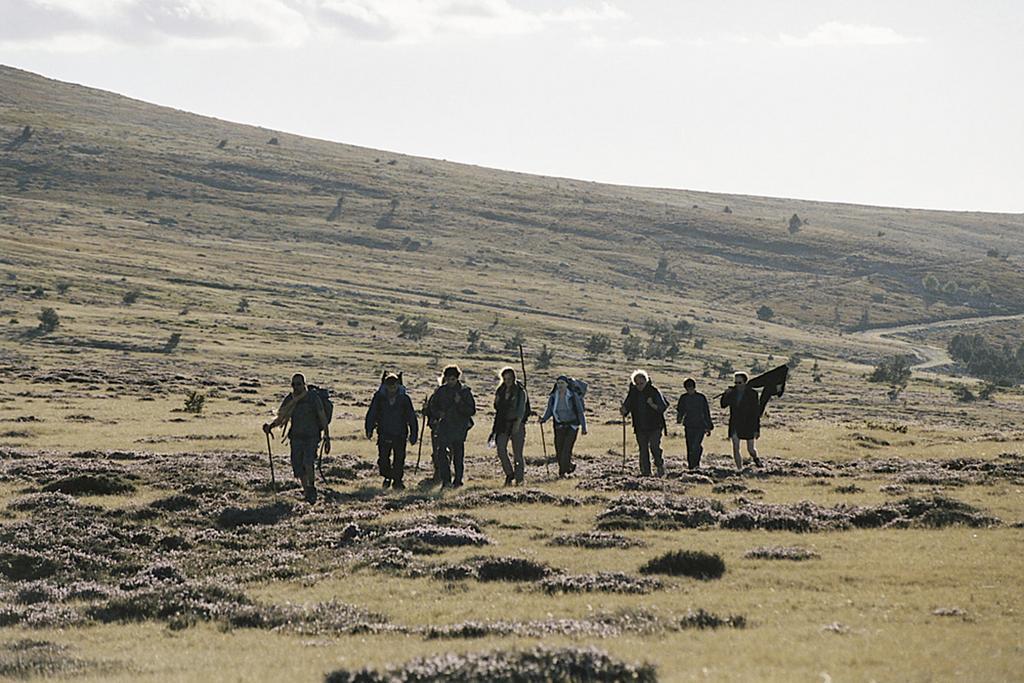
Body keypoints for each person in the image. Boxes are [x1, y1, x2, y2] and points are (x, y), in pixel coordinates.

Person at [263, 373, 330, 503]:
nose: (296, 387)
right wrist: (270, 427)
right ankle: (307, 492)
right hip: (296, 437)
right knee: (298, 466)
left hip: (312, 436)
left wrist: (327, 436)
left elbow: (322, 417)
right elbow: (281, 416)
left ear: (304, 384)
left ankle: (311, 488)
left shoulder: (313, 398)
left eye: (298, 384)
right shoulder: (290, 399)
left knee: (308, 462)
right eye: (293, 384)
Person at [365, 372, 418, 490]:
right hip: (384, 433)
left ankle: (397, 481)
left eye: (394, 386)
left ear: (398, 386)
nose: (392, 389)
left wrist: (414, 434)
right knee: (383, 458)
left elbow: (411, 417)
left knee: (399, 459)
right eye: (389, 387)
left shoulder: (404, 399)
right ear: (385, 386)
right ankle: (387, 476)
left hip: (400, 434)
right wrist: (369, 428)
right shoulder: (379, 398)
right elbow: (372, 413)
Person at [425, 365, 476, 488]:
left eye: (452, 379)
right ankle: (446, 480)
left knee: (458, 456)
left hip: (459, 428)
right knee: (441, 453)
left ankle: (458, 481)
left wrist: (460, 403)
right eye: (448, 379)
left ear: (457, 378)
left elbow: (471, 410)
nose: (450, 381)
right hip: (444, 426)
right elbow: (433, 406)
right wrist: (438, 414)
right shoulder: (440, 391)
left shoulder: (465, 392)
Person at [620, 370, 669, 477]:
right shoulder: (633, 393)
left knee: (654, 447)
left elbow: (663, 407)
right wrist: (624, 410)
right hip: (639, 426)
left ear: (646, 381)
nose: (639, 386)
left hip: (655, 425)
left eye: (641, 383)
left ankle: (659, 465)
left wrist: (652, 405)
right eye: (637, 384)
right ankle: (645, 472)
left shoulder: (654, 391)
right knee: (643, 449)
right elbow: (627, 406)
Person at [540, 375, 587, 477]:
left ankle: (562, 473)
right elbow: (549, 410)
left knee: (566, 449)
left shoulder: (573, 396)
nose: (560, 385)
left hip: (572, 426)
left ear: (567, 385)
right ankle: (569, 466)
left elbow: (580, 412)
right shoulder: (553, 397)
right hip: (559, 425)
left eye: (562, 383)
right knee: (559, 450)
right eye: (558, 383)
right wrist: (543, 419)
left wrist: (584, 427)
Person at [491, 367, 528, 486]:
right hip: (502, 423)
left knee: (518, 454)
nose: (507, 381)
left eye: (509, 378)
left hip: (517, 423)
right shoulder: (500, 390)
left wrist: (517, 424)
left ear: (513, 378)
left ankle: (519, 479)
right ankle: (509, 473)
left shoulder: (520, 391)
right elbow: (496, 407)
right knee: (501, 449)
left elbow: (521, 409)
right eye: (505, 378)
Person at [720, 371, 762, 469]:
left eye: (739, 383)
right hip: (735, 423)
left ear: (745, 382)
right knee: (735, 447)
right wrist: (725, 394)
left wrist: (757, 429)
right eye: (736, 383)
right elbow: (723, 405)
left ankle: (756, 459)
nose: (737, 385)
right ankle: (739, 469)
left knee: (750, 449)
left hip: (748, 424)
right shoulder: (732, 393)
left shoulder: (752, 394)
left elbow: (755, 413)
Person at [676, 377, 713, 470]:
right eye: (688, 388)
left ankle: (696, 464)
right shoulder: (683, 398)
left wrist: (709, 426)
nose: (689, 390)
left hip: (700, 426)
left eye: (691, 388)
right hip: (689, 425)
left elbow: (706, 412)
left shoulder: (701, 398)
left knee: (696, 446)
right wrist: (679, 418)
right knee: (690, 446)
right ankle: (691, 466)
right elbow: (680, 410)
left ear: (694, 387)